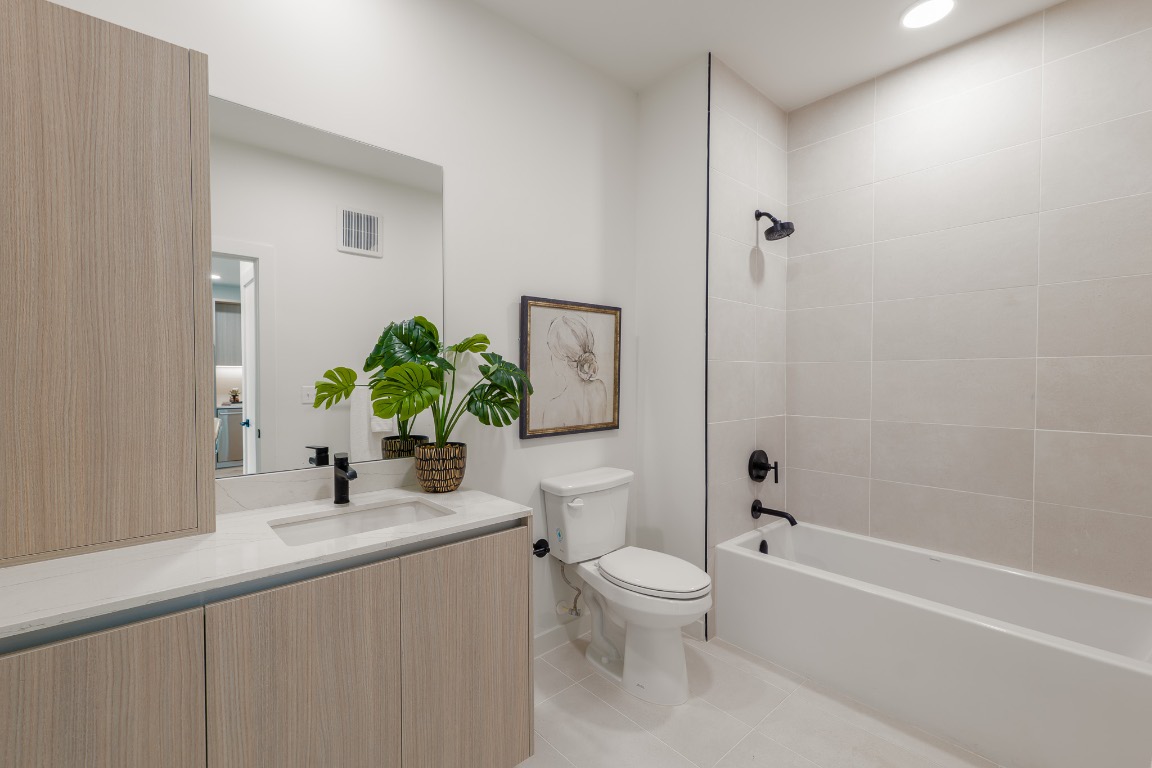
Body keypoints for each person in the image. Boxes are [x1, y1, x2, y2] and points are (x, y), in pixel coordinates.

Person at [541, 314, 609, 428]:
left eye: (552, 352)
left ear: (563, 359)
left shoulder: (554, 409)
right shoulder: (599, 387)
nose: (551, 357)